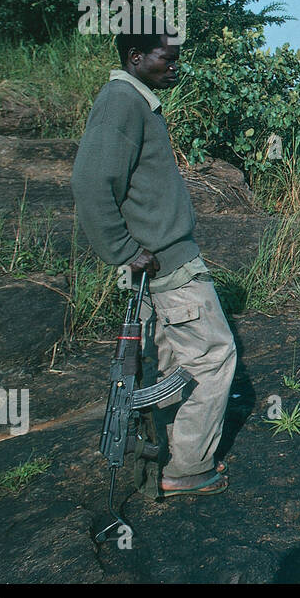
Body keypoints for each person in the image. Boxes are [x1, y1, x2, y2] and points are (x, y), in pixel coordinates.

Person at [71, 29, 234, 497]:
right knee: (213, 359)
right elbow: (89, 184)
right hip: (168, 269)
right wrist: (124, 251)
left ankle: (164, 455)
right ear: (136, 57)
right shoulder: (121, 102)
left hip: (162, 265)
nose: (175, 66)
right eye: (167, 58)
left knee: (167, 364)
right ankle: (188, 470)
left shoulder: (133, 101)